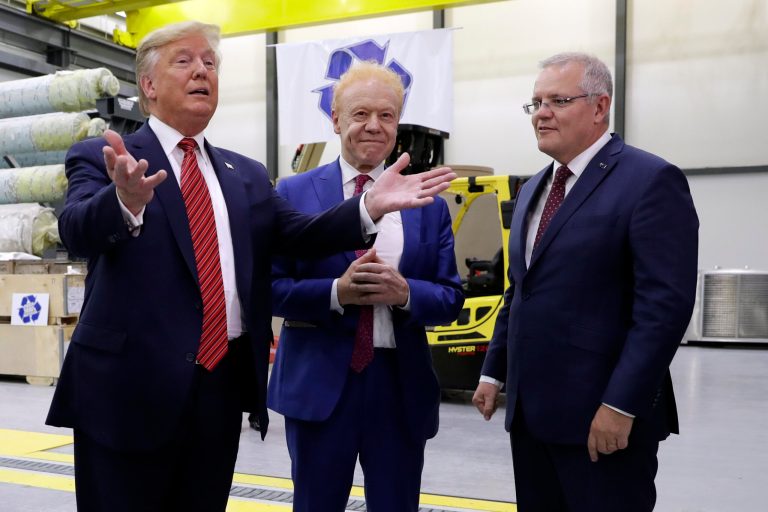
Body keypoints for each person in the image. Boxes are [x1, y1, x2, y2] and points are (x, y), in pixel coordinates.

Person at [45, 21, 455, 512]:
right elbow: (75, 230)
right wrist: (123, 201)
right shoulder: (106, 157)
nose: (202, 71)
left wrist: (367, 207)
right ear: (148, 85)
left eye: (210, 63)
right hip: (129, 395)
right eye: (185, 61)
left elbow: (302, 234)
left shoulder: (246, 175)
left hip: (217, 392)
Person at [472, 52, 699, 512]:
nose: (541, 113)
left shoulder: (650, 181)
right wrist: (494, 371)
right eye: (536, 102)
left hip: (603, 421)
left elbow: (663, 310)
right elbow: (521, 287)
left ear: (600, 107)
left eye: (558, 100)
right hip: (532, 420)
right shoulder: (533, 188)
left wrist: (621, 406)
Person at [267, 61, 464, 511]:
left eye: (386, 115)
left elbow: (450, 297)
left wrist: (405, 293)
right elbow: (270, 288)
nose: (374, 125)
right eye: (360, 114)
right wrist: (336, 292)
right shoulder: (292, 193)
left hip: (399, 385)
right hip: (320, 386)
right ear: (336, 119)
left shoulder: (426, 203)